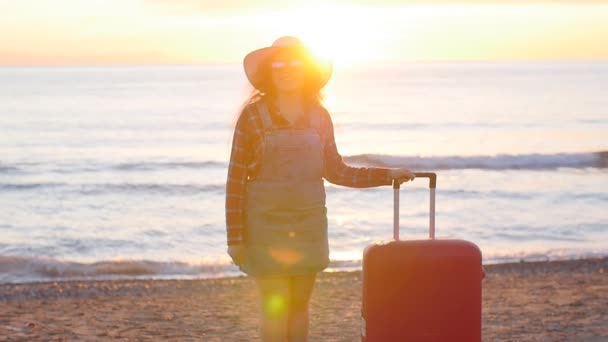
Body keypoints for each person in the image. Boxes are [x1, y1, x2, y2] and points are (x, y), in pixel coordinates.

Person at [225, 36, 414, 342]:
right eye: (279, 63)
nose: (287, 69)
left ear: (307, 70)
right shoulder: (252, 116)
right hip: (264, 225)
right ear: (269, 71)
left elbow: (337, 171)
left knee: (299, 307)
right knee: (275, 309)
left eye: (295, 63)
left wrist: (386, 174)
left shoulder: (319, 116)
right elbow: (235, 181)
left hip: (308, 224)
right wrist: (235, 238)